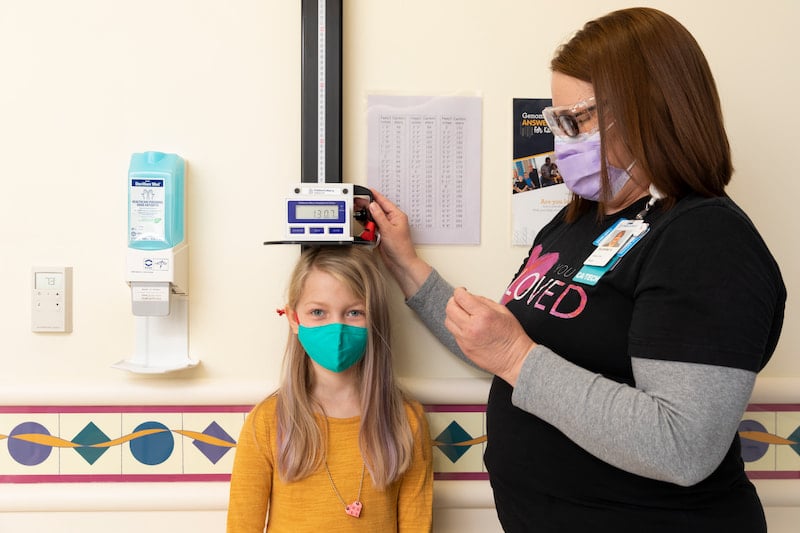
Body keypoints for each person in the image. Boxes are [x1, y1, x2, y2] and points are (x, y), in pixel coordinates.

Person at [367, 7, 785, 533]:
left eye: (578, 120)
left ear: (650, 110)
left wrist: (518, 357)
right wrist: (404, 265)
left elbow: (683, 446)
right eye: (555, 120)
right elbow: (498, 345)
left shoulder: (707, 239)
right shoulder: (577, 224)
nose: (561, 139)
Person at [227, 246, 433, 532]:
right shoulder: (267, 422)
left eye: (354, 312)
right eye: (318, 312)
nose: (336, 328)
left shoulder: (405, 420)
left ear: (375, 319)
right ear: (293, 319)